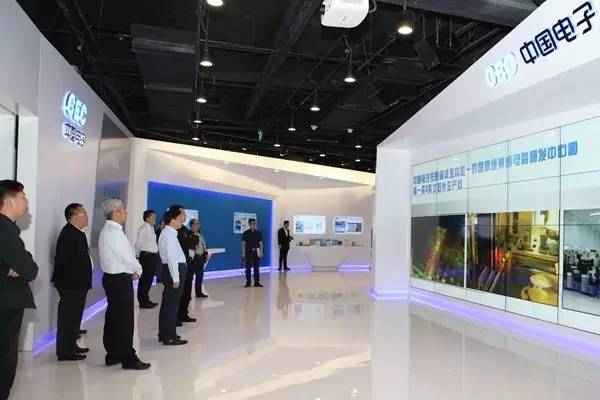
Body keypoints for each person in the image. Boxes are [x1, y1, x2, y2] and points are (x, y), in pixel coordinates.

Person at [98, 199, 150, 370]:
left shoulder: (108, 230)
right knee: (125, 320)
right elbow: (126, 256)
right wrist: (138, 269)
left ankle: (114, 354)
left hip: (113, 279)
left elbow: (119, 257)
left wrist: (131, 269)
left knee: (114, 318)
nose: (126, 212)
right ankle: (128, 358)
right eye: (124, 209)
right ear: (116, 212)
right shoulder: (114, 232)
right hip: (119, 281)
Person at [0, 180, 38, 400]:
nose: (26, 202)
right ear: (10, 200)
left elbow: (25, 265)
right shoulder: (4, 230)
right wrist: (13, 268)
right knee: (5, 360)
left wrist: (18, 266)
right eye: (23, 197)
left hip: (7, 303)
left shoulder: (9, 230)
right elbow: (30, 269)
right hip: (6, 304)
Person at [52, 203, 92, 361]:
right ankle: (65, 351)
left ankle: (71, 345)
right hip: (71, 284)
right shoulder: (68, 235)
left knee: (74, 317)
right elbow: (63, 262)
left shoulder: (77, 233)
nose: (87, 217)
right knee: (68, 318)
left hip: (79, 284)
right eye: (84, 214)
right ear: (74, 217)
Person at [157, 207, 189, 345]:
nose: (183, 219)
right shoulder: (169, 235)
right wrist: (176, 277)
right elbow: (171, 258)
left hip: (172, 270)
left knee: (168, 304)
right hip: (174, 271)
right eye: (181, 217)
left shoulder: (169, 233)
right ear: (173, 219)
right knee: (171, 305)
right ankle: (169, 336)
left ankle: (164, 333)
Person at [167, 205, 198, 325]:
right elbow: (187, 242)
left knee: (187, 291)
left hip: (187, 264)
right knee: (178, 293)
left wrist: (190, 240)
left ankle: (183, 314)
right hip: (179, 265)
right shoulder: (173, 231)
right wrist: (190, 240)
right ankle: (175, 317)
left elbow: (194, 240)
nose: (185, 215)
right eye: (183, 213)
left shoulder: (183, 229)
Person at [134, 209, 159, 309]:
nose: (155, 219)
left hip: (152, 257)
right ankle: (143, 302)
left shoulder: (151, 228)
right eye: (153, 217)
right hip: (147, 257)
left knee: (149, 280)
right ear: (147, 218)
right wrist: (137, 256)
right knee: (145, 280)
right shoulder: (143, 229)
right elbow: (138, 244)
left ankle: (146, 299)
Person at [189, 219, 209, 298]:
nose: (199, 225)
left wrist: (206, 252)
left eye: (199, 223)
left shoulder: (200, 233)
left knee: (200, 276)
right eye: (197, 223)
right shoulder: (189, 234)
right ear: (192, 225)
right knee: (190, 277)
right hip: (193, 257)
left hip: (201, 257)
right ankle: (188, 295)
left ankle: (199, 292)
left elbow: (203, 244)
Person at [242, 218, 264, 288]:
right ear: (249, 224)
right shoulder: (245, 233)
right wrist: (243, 253)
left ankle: (256, 282)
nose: (253, 225)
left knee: (256, 267)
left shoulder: (258, 233)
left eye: (254, 223)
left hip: (257, 252)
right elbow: (243, 244)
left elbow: (261, 243)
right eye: (252, 223)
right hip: (248, 252)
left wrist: (261, 251)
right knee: (248, 268)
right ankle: (248, 282)